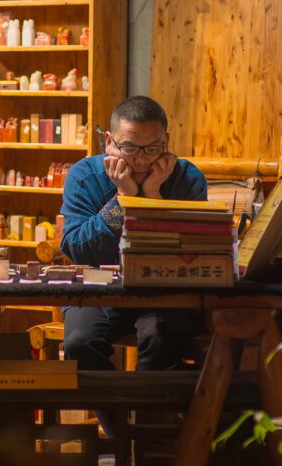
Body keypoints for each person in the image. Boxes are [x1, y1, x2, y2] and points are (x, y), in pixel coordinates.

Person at [60, 95, 208, 375]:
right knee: (80, 345)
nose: (141, 160)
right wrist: (123, 198)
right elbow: (78, 248)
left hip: (164, 292)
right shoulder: (84, 176)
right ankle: (117, 420)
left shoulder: (188, 178)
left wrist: (152, 195)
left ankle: (146, 415)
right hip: (95, 289)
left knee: (162, 340)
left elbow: (188, 251)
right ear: (108, 141)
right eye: (128, 148)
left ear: (166, 140)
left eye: (152, 148)